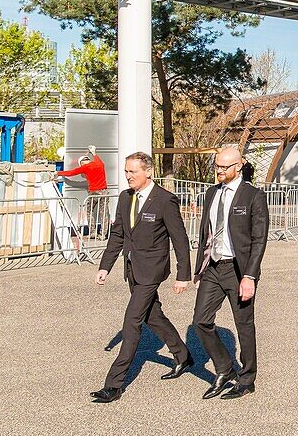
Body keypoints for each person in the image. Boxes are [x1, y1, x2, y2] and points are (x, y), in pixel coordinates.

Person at [90, 152, 192, 404]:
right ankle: (183, 356)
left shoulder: (165, 200)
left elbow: (180, 239)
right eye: (126, 171)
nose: (128, 176)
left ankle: (114, 384)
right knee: (153, 316)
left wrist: (183, 275)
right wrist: (105, 266)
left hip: (152, 271)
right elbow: (118, 235)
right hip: (132, 269)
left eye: (132, 172)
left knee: (132, 322)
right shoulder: (125, 198)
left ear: (148, 171)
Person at [191, 146, 269, 400]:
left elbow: (259, 240)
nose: (219, 171)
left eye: (224, 167)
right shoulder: (211, 193)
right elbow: (206, 232)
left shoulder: (253, 196)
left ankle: (247, 379)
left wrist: (250, 276)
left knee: (244, 325)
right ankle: (225, 368)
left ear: (239, 165)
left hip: (239, 270)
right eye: (217, 166)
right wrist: (198, 268)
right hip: (213, 267)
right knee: (200, 321)